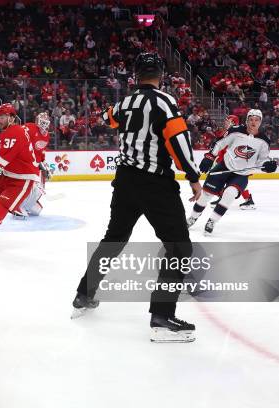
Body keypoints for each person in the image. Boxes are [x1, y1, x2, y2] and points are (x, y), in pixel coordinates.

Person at [72, 53, 202, 343]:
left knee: (113, 240)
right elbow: (179, 143)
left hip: (126, 182)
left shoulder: (124, 102)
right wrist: (193, 177)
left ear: (135, 75)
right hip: (156, 184)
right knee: (180, 248)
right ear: (160, 76)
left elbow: (107, 119)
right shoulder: (165, 102)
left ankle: (84, 294)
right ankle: (163, 315)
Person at [187, 109, 277, 234]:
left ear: (260, 122)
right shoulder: (235, 131)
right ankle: (193, 217)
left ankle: (212, 221)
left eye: (256, 120)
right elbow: (219, 143)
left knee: (229, 195)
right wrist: (209, 157)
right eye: (251, 119)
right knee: (205, 196)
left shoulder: (264, 141)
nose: (253, 122)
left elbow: (262, 160)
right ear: (247, 120)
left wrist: (267, 165)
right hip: (224, 167)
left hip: (242, 174)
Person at [0, 103, 40, 244]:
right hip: (8, 175)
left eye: (2, 117)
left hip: (22, 178)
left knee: (1, 205)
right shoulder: (10, 132)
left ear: (12, 118)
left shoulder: (15, 132)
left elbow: (1, 162)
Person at [209, 115, 256, 209]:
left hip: (235, 162)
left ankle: (248, 200)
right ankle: (225, 198)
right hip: (228, 161)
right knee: (229, 180)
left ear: (233, 122)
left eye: (228, 121)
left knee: (235, 181)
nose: (225, 122)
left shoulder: (237, 133)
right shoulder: (231, 132)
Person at [14, 111, 52, 218]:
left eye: (46, 123)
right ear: (37, 121)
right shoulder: (30, 127)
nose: (44, 125)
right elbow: (18, 135)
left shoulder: (46, 136)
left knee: (38, 191)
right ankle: (18, 205)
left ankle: (27, 205)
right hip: (25, 162)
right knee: (30, 186)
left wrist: (44, 163)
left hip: (35, 164)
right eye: (42, 122)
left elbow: (41, 152)